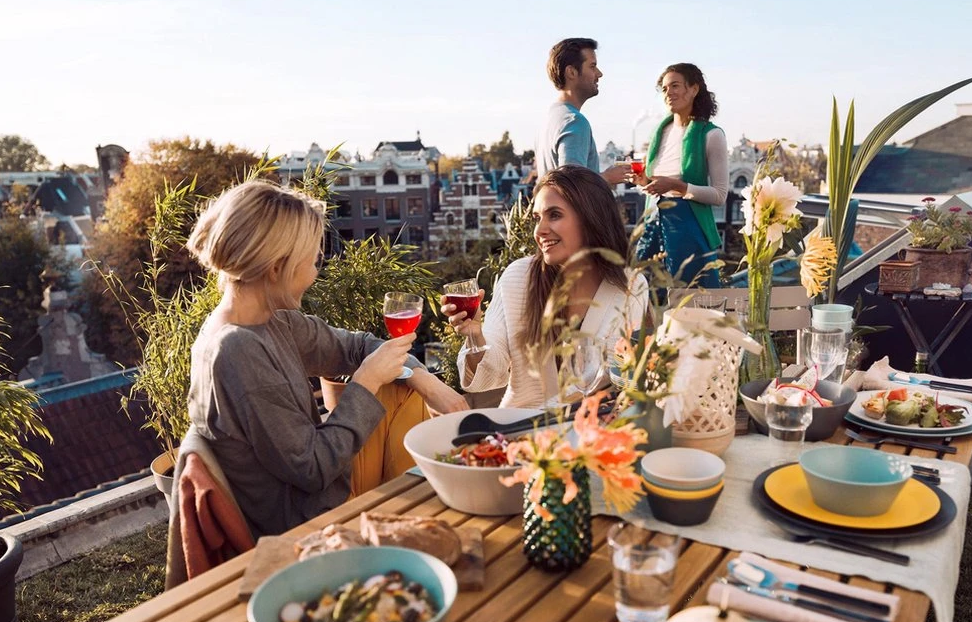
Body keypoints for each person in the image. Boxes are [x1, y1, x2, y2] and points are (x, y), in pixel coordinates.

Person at [185, 180, 465, 538]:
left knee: (404, 390)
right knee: (394, 396)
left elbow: (356, 347)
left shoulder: (270, 321)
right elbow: (313, 468)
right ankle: (418, 523)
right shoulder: (237, 350)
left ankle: (419, 515)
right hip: (308, 522)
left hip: (323, 489)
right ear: (276, 268)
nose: (316, 273)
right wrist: (366, 380)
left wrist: (425, 380)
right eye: (313, 260)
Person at [444, 165, 648, 408]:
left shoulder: (630, 287)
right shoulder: (517, 277)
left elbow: (618, 380)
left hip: (592, 434)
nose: (539, 231)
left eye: (555, 215)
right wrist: (475, 335)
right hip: (517, 432)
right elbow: (489, 376)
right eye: (537, 218)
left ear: (591, 218)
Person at [633, 62, 728, 286]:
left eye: (675, 86)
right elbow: (654, 184)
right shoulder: (660, 133)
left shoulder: (711, 135)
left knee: (691, 302)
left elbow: (720, 195)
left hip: (688, 229)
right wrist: (642, 181)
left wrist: (677, 186)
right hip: (653, 225)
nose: (669, 93)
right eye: (664, 89)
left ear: (694, 89)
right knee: (644, 300)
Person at [536, 37, 631, 186]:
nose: (599, 74)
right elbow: (571, 185)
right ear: (571, 72)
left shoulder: (549, 120)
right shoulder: (574, 121)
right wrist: (607, 178)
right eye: (592, 66)